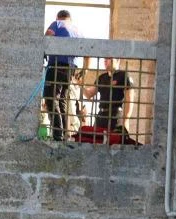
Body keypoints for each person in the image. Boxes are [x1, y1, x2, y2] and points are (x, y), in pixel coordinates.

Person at [44, 10, 80, 141]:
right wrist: (85, 69)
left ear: (58, 17)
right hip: (71, 68)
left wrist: (43, 51)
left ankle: (57, 135)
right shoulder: (76, 30)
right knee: (62, 100)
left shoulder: (57, 24)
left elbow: (48, 35)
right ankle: (64, 134)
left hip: (57, 66)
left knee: (51, 98)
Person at [83, 57, 134, 139]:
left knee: (113, 143)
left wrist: (126, 120)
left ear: (117, 60)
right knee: (95, 141)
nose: (105, 60)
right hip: (101, 116)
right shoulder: (102, 77)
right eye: (105, 58)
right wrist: (80, 85)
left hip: (115, 116)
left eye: (109, 58)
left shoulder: (123, 76)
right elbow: (89, 94)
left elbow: (129, 100)